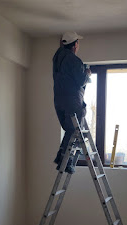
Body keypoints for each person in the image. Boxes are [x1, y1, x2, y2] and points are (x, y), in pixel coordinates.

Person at [52, 31, 91, 173]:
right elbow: (81, 80)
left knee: (70, 129)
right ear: (75, 45)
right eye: (78, 43)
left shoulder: (57, 57)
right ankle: (64, 158)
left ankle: (62, 157)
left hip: (59, 99)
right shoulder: (74, 60)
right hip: (72, 100)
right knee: (74, 128)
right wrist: (87, 74)